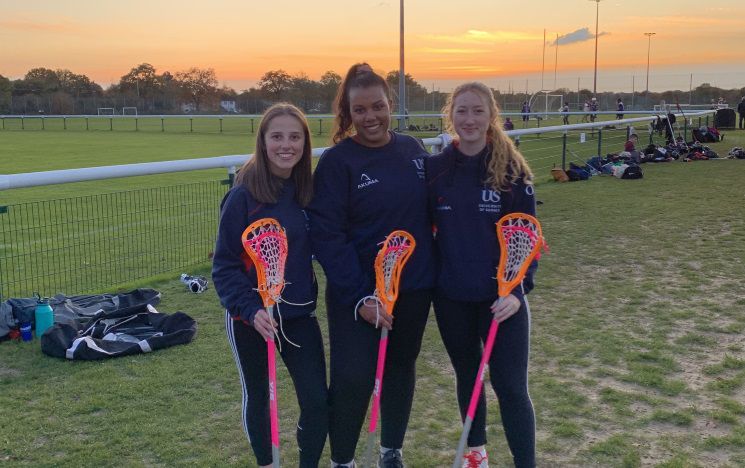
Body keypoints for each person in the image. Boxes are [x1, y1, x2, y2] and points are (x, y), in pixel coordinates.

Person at [308, 63, 435, 468]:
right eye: (360, 110)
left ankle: (390, 451)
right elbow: (328, 236)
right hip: (358, 295)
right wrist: (362, 295)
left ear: (390, 104)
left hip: (411, 290)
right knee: (352, 379)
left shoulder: (414, 150)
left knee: (400, 368)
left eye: (377, 106)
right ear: (349, 114)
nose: (370, 117)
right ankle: (343, 460)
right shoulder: (337, 162)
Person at [425, 82, 538, 468]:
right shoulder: (435, 169)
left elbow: (528, 237)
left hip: (502, 302)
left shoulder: (512, 169)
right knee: (468, 378)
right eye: (462, 111)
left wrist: (517, 291)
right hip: (452, 297)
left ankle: (526, 461)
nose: (469, 119)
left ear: (491, 115)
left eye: (477, 111)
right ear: (450, 115)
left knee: (510, 387)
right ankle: (476, 454)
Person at [212, 103, 328, 468]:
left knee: (316, 400)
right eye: (276, 136)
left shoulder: (307, 191)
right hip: (252, 319)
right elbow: (224, 266)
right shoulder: (243, 196)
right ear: (262, 141)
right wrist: (250, 309)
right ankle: (268, 463)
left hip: (297, 315)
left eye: (295, 137)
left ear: (305, 143)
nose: (286, 145)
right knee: (260, 396)